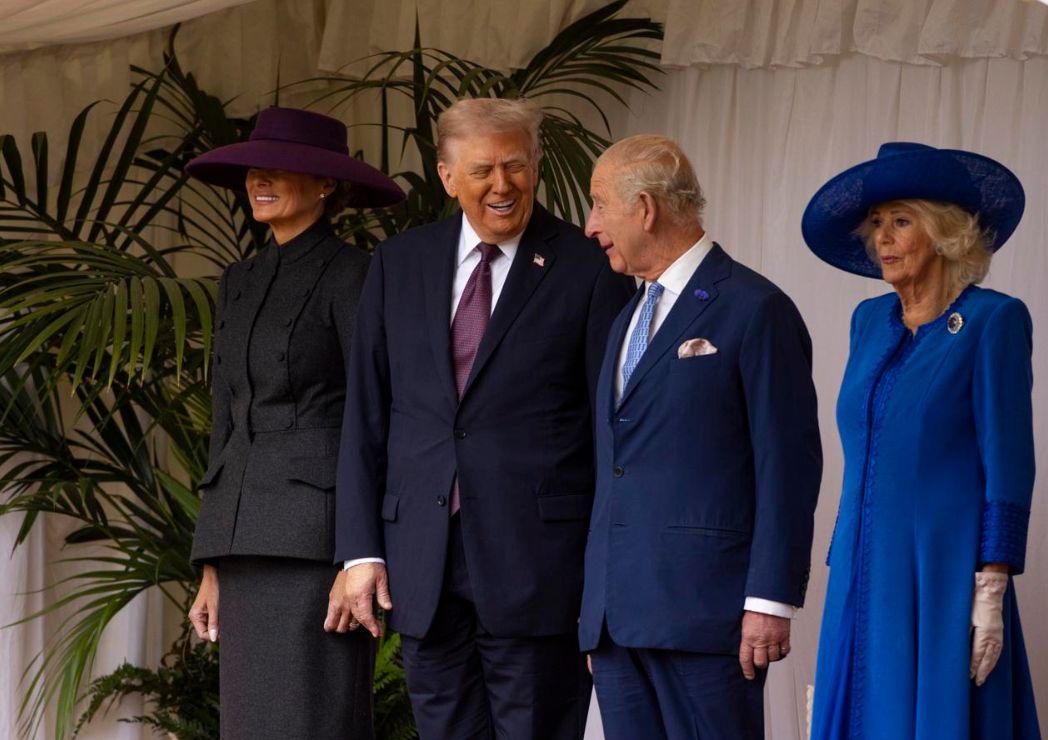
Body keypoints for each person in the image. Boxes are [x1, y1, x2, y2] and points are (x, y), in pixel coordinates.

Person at [335, 97, 634, 739]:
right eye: (482, 170)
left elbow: (612, 428)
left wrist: (606, 577)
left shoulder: (589, 268)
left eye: (516, 166)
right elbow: (366, 412)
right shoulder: (399, 263)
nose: (503, 186)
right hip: (423, 565)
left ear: (536, 165)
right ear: (446, 176)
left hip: (539, 567)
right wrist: (360, 550)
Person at [577, 134, 823, 739]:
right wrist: (596, 608)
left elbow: (788, 465)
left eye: (599, 204)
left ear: (644, 208)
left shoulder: (755, 308)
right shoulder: (624, 319)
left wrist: (769, 601)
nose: (589, 226)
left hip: (707, 618)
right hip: (617, 620)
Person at [801, 142, 1040, 739]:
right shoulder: (868, 322)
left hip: (943, 572)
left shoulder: (993, 321)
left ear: (944, 233)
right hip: (859, 565)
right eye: (877, 223)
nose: (883, 237)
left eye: (901, 221)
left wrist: (991, 585)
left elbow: (1009, 462)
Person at [183, 107, 405, 739]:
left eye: (280, 168)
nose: (260, 179)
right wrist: (211, 565)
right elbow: (226, 419)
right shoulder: (239, 281)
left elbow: (376, 415)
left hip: (318, 545)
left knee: (314, 721)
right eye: (255, 168)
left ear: (326, 184)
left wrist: (361, 554)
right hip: (243, 544)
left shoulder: (355, 274)